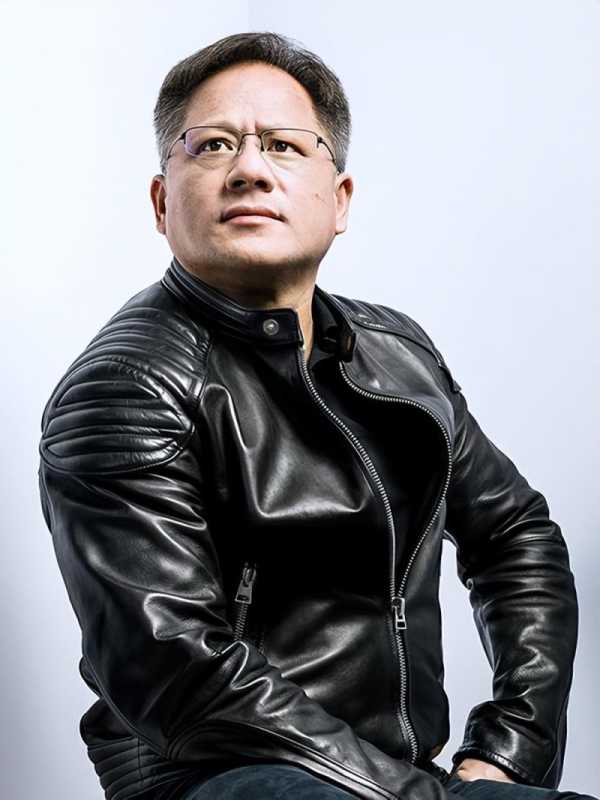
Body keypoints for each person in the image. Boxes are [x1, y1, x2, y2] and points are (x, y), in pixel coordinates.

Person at [37, 31, 595, 800]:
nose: (249, 168)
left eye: (285, 145)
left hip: (393, 781)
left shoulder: (398, 352)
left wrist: (511, 749)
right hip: (216, 778)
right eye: (213, 145)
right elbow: (179, 675)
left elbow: (515, 536)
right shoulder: (126, 386)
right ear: (162, 203)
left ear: (340, 201)